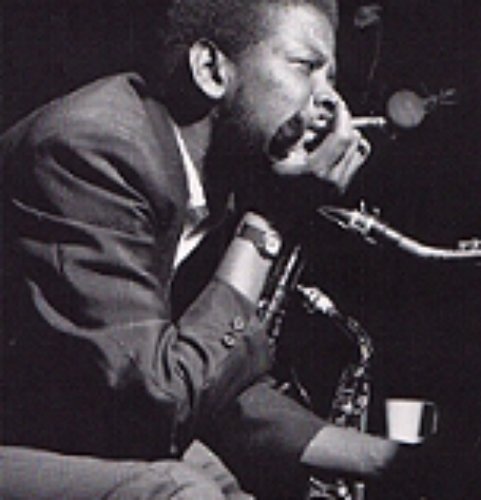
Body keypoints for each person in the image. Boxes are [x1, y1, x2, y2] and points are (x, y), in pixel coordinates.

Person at [1, 1, 429, 498]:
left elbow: (211, 379)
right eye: (305, 67)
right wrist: (270, 220)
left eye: (331, 78)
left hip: (66, 430)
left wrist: (384, 459)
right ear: (210, 69)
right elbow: (156, 398)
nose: (331, 102)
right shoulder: (93, 150)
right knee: (179, 493)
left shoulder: (218, 178)